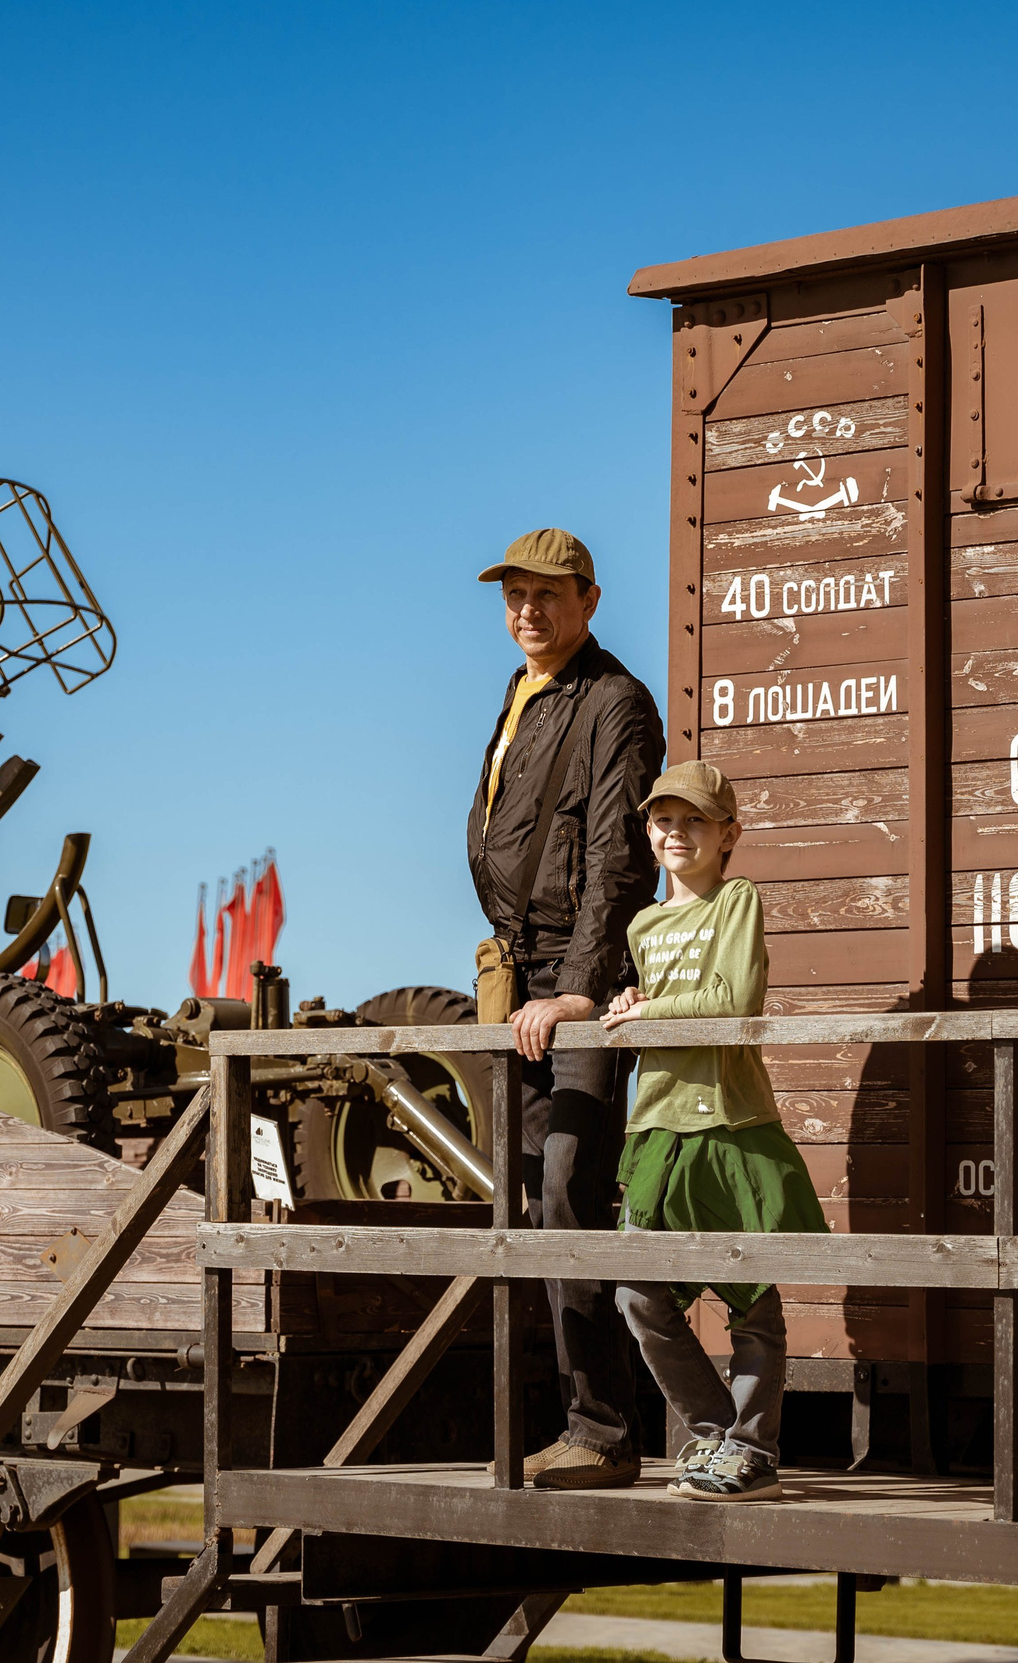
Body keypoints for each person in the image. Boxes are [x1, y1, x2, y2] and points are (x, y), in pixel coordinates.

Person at [468, 527, 664, 1490]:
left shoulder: (616, 702)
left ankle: (606, 1426)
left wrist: (580, 986)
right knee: (530, 1194)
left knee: (570, 1185)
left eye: (547, 594)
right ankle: (572, 1420)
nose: (526, 611)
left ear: (590, 599)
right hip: (523, 980)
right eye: (513, 595)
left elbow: (618, 861)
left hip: (575, 986)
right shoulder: (523, 694)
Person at [601, 759, 828, 1502]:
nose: (676, 832)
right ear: (647, 831)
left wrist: (646, 1012)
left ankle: (752, 1449)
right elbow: (664, 1013)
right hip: (656, 1126)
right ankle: (716, 1436)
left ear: (729, 833)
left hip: (729, 1123)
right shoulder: (643, 922)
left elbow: (732, 999)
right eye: (663, 819)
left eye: (694, 819)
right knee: (638, 1291)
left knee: (750, 1296)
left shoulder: (737, 900)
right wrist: (635, 1000)